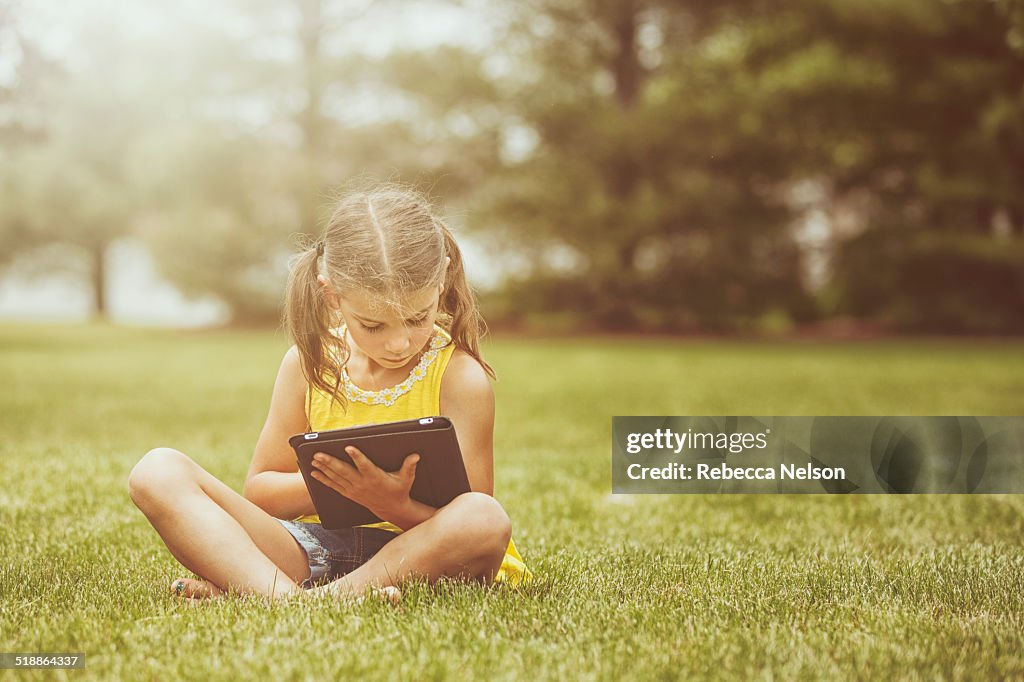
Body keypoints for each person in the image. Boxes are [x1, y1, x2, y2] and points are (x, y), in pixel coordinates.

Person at [127, 185, 531, 604]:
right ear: (331, 294)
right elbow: (261, 492)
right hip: (310, 547)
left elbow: (474, 519)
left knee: (484, 519)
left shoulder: (459, 377)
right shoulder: (307, 364)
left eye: (417, 318)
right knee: (156, 471)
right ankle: (293, 597)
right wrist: (339, 483)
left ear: (442, 279)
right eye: (373, 325)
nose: (399, 343)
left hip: (419, 555)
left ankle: (283, 597)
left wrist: (389, 502)